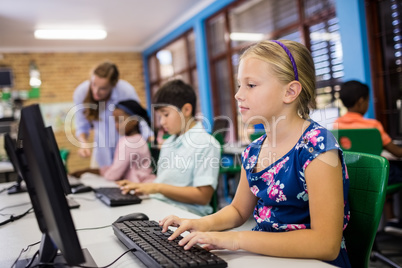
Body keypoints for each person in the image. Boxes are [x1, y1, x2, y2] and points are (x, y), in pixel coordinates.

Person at [159, 40, 351, 267]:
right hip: (264, 257)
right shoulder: (254, 150)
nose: (238, 95)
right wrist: (197, 224)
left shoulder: (317, 147)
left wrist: (236, 239)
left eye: (250, 85)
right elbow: (238, 210)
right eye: (240, 85)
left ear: (290, 91)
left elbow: (325, 244)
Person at [116, 79, 221, 216]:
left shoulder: (206, 144)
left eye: (166, 114)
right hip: (160, 206)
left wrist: (157, 187)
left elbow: (202, 197)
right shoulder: (169, 143)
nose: (162, 122)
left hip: (186, 215)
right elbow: (164, 183)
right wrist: (143, 187)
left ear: (186, 110)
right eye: (159, 116)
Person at [334, 80, 402, 234]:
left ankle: (390, 220)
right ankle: (393, 220)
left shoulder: (337, 125)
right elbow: (397, 152)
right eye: (368, 100)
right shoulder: (373, 126)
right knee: (393, 169)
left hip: (349, 177)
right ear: (361, 101)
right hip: (376, 177)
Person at [73, 61, 152, 168]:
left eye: (103, 88)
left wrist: (150, 137)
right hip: (101, 154)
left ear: (113, 85)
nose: (96, 91)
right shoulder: (81, 93)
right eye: (94, 84)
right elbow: (82, 126)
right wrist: (84, 144)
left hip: (126, 152)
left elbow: (139, 118)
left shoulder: (125, 91)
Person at [71, 100, 156, 183]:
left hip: (140, 188)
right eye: (115, 121)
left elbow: (114, 175)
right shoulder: (139, 139)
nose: (116, 125)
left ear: (134, 121)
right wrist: (89, 171)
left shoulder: (128, 142)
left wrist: (91, 172)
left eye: (120, 120)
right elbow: (116, 169)